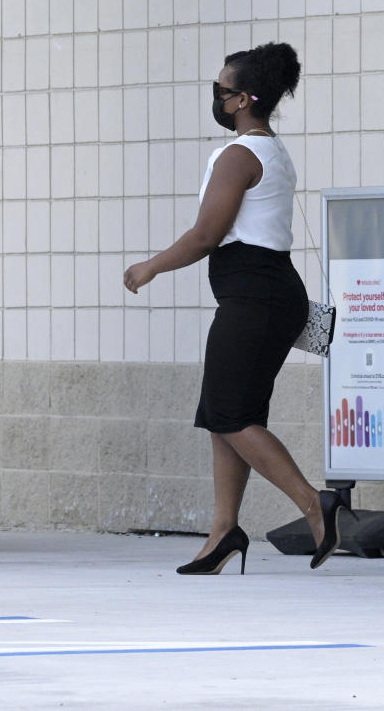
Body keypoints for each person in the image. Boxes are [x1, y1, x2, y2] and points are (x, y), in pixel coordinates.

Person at [123, 42, 353, 575]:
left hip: (255, 297)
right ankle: (224, 532)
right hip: (267, 295)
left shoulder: (240, 154)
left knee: (229, 413)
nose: (217, 98)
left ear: (244, 98)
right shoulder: (269, 150)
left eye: (222, 91)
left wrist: (150, 267)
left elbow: (207, 235)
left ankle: (314, 504)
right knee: (227, 413)